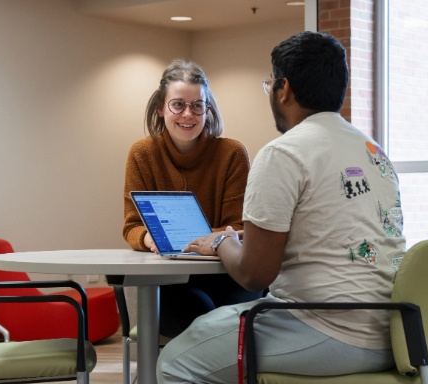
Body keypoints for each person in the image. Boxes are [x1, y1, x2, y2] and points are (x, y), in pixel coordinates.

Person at [156, 32, 406, 383]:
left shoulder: (283, 153)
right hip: (393, 331)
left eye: (270, 83)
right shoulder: (374, 152)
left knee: (174, 362)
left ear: (283, 89)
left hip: (326, 328)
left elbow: (255, 274)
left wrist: (220, 242)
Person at [122, 59, 263, 338]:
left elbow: (237, 226)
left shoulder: (232, 154)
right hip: (171, 279)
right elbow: (132, 226)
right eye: (178, 104)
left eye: (197, 105)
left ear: (207, 110)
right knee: (198, 313)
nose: (188, 114)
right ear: (161, 108)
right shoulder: (142, 153)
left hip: (228, 275)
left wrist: (182, 240)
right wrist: (150, 239)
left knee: (219, 322)